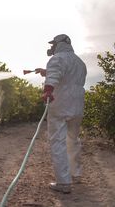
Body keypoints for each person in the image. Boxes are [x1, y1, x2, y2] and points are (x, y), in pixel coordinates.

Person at [35, 34, 87, 194]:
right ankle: (75, 174)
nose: (52, 47)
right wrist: (47, 71)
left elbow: (55, 75)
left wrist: (47, 90)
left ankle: (64, 183)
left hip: (61, 104)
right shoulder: (79, 61)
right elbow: (66, 76)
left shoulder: (57, 58)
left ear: (60, 44)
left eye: (53, 44)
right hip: (77, 105)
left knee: (58, 140)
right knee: (73, 139)